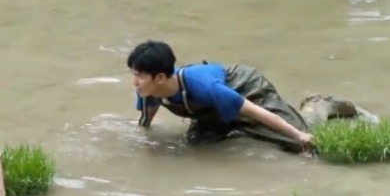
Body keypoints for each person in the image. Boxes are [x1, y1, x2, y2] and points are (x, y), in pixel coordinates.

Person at [128, 40, 315, 153]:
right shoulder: (148, 91)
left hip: (244, 88)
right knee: (197, 145)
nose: (134, 82)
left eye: (139, 76)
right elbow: (145, 122)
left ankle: (316, 106)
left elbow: (254, 110)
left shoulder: (203, 86)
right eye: (134, 74)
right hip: (212, 110)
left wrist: (298, 135)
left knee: (300, 144)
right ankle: (243, 131)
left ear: (160, 77)